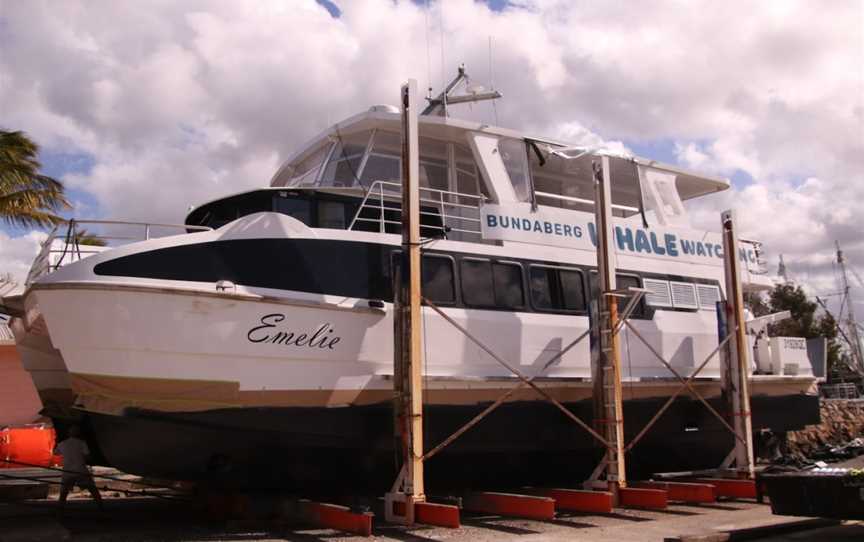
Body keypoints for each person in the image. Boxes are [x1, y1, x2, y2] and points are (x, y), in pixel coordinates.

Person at [55, 425, 103, 516]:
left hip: (67, 471)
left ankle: (60, 512)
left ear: (68, 434)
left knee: (63, 493)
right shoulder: (81, 443)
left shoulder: (62, 444)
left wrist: (57, 442)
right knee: (93, 490)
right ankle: (101, 508)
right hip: (80, 469)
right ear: (78, 434)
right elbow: (87, 455)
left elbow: (56, 453)